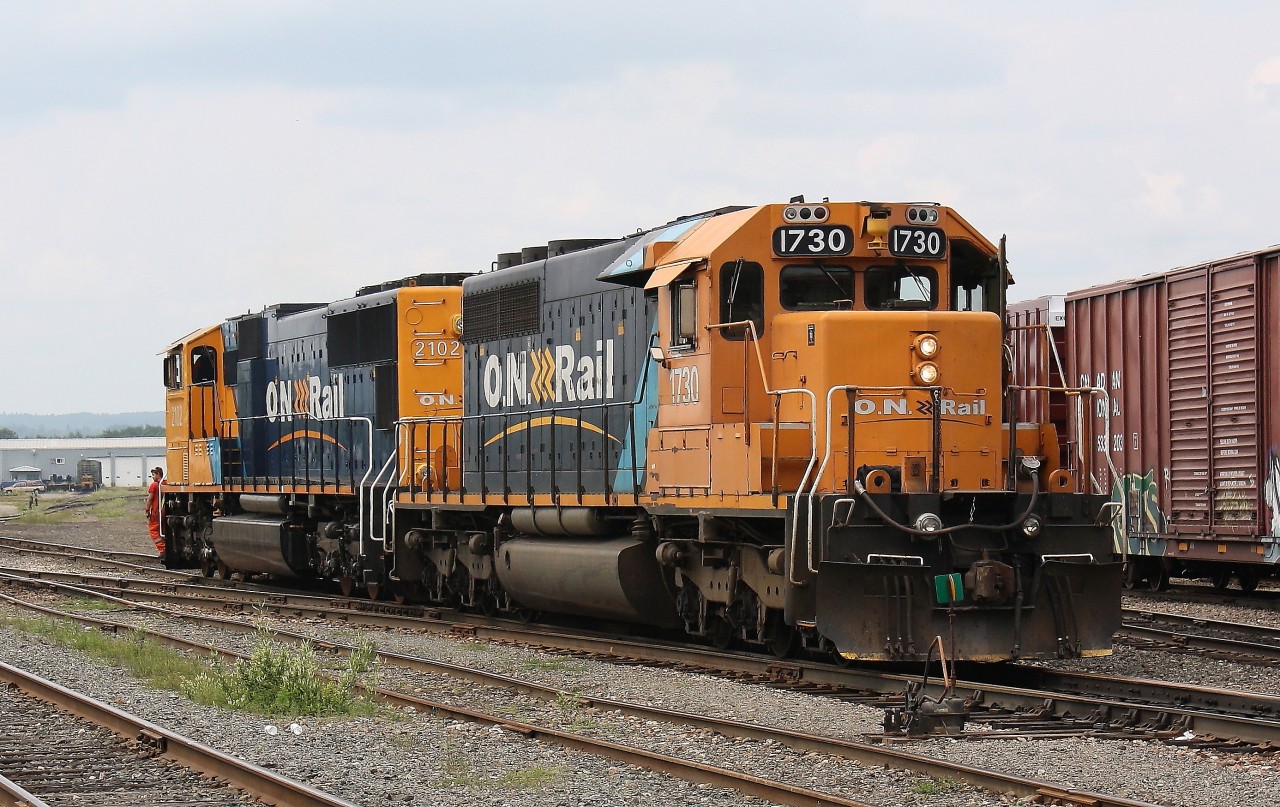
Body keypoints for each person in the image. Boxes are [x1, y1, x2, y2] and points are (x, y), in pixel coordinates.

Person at [145, 467, 165, 559]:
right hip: (162, 511)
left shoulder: (154, 485)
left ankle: (162, 549)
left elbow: (150, 499)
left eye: (153, 474)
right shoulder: (164, 484)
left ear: (158, 474)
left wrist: (146, 509)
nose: (152, 477)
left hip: (155, 512)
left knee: (153, 530)